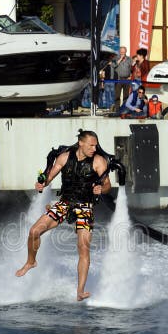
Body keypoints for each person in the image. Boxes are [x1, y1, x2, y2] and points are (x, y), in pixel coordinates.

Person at [15, 130, 111, 301]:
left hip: (84, 206)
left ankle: (80, 291)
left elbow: (107, 186)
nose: (94, 148)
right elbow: (49, 177)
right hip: (65, 203)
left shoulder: (99, 161)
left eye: (96, 145)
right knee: (34, 231)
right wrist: (41, 183)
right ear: (81, 143)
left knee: (83, 248)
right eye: (91, 145)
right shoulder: (64, 157)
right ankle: (31, 261)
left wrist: (100, 189)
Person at [112, 46, 132, 112]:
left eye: (123, 52)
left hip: (127, 79)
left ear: (126, 52)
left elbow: (132, 68)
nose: (122, 53)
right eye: (121, 52)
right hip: (118, 79)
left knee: (126, 95)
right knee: (117, 95)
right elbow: (113, 65)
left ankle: (124, 108)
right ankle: (117, 109)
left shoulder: (129, 59)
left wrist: (130, 76)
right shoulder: (116, 58)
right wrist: (120, 59)